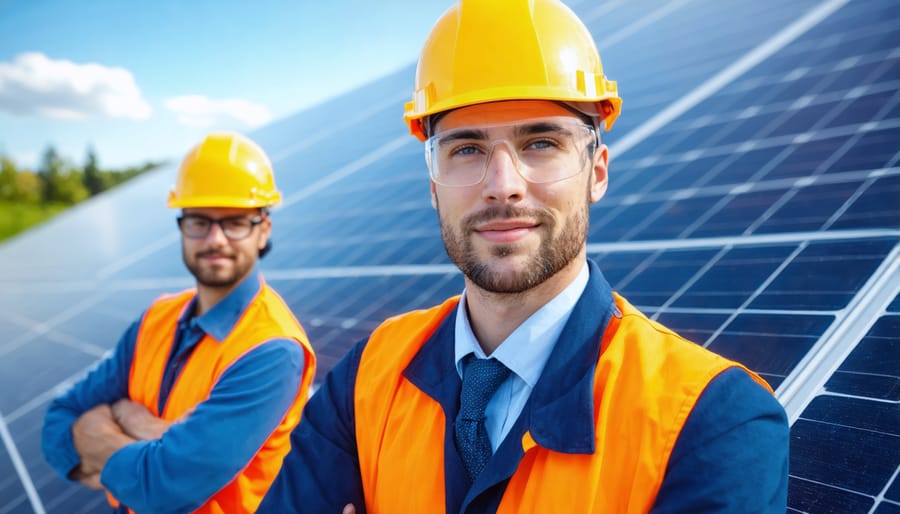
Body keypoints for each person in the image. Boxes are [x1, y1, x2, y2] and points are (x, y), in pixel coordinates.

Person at [259, 0, 789, 512]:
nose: (502, 184)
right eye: (467, 149)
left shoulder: (710, 421)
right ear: (433, 186)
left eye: (541, 143)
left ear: (597, 171)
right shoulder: (369, 376)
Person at [41, 131, 317, 513]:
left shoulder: (272, 349)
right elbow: (57, 424)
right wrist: (158, 445)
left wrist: (108, 427)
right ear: (182, 226)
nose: (216, 239)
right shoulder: (156, 318)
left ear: (263, 229)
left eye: (235, 222)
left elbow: (164, 490)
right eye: (200, 221)